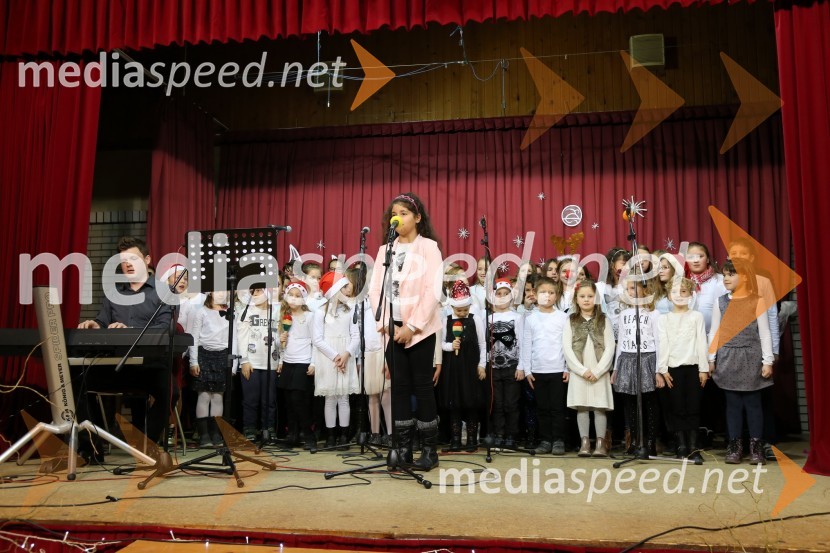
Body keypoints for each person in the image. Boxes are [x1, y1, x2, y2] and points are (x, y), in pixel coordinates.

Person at [77, 236, 178, 454]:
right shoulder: (113, 294)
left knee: (170, 390)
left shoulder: (164, 292)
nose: (128, 264)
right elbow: (103, 321)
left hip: (148, 366)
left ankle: (146, 445)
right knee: (78, 381)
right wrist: (94, 324)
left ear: (148, 259)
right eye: (123, 260)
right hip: (115, 365)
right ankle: (92, 448)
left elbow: (163, 329)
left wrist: (129, 331)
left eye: (133, 258)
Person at [368, 192, 443, 471]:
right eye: (393, 213)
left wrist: (412, 327)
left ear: (418, 218)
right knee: (398, 389)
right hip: (392, 331)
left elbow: (432, 290)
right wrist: (389, 325)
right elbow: (376, 290)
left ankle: (429, 450)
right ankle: (402, 449)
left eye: (404, 213)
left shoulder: (429, 248)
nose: (397, 217)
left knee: (422, 389)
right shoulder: (384, 250)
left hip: (420, 333)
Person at [708, 260, 774, 465]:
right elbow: (715, 331)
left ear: (744, 276)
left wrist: (767, 360)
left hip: (751, 358)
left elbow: (764, 333)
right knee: (733, 405)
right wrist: (711, 358)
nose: (726, 278)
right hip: (728, 358)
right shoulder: (721, 301)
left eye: (731, 274)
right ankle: (735, 446)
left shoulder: (757, 300)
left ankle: (756, 447)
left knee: (753, 404)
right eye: (724, 275)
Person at [657, 278, 709, 462]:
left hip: (694, 367)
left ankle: (694, 447)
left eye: (684, 292)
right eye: (675, 292)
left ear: (690, 295)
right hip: (673, 369)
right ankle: (681, 445)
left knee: (693, 407)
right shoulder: (664, 319)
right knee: (676, 407)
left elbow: (702, 343)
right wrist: (662, 369)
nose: (679, 296)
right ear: (668, 296)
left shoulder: (696, 316)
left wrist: (704, 369)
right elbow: (662, 344)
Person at [563, 280, 615, 457]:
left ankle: (600, 443)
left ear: (596, 298)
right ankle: (584, 442)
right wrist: (581, 370)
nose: (586, 300)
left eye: (590, 296)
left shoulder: (604, 320)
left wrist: (599, 370)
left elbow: (610, 347)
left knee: (599, 406)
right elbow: (567, 348)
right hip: (580, 371)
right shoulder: (570, 320)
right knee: (582, 406)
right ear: (576, 299)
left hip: (598, 370)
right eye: (582, 296)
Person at [613, 273, 661, 455]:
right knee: (630, 402)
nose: (630, 292)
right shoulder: (624, 314)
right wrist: (616, 367)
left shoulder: (654, 314)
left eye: (633, 288)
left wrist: (658, 370)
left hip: (647, 358)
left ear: (644, 289)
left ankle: (650, 442)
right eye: (627, 289)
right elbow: (621, 340)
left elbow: (658, 341)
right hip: (627, 358)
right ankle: (634, 440)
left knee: (649, 402)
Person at [521, 277, 569, 455]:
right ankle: (545, 439)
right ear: (535, 294)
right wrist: (527, 370)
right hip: (537, 371)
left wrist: (567, 368)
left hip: (557, 370)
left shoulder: (563, 318)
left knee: (557, 407)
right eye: (543, 292)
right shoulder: (531, 318)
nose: (546, 296)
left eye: (551, 292)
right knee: (542, 407)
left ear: (556, 296)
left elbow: (567, 345)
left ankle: (558, 440)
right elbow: (527, 344)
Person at [312, 271, 360, 450]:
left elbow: (355, 336)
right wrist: (335, 356)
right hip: (328, 358)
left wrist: (346, 354)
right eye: (345, 287)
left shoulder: (350, 310)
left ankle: (343, 436)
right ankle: (331, 436)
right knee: (330, 398)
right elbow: (317, 339)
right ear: (335, 290)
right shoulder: (319, 312)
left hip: (345, 356)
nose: (349, 290)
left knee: (344, 397)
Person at [438, 281, 487, 451]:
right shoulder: (446, 320)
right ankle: (456, 439)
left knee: (471, 402)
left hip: (471, 367)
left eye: (465, 309)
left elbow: (483, 343)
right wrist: (451, 346)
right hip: (453, 368)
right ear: (452, 307)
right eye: (459, 310)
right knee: (455, 403)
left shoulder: (476, 320)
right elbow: (441, 344)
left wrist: (482, 365)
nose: (462, 313)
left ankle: (472, 439)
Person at [277, 281, 317, 452]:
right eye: (291, 295)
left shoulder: (310, 317)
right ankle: (292, 434)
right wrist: (280, 345)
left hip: (303, 361)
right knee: (288, 401)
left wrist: (314, 362)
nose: (293, 299)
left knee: (299, 400)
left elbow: (316, 341)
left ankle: (308, 435)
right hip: (288, 361)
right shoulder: (283, 316)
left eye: (297, 296)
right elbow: (280, 345)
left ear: (304, 298)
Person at [189, 291, 232, 448]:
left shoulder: (229, 312)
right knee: (204, 395)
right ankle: (203, 434)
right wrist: (193, 361)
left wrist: (232, 363)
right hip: (204, 355)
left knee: (218, 396)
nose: (222, 294)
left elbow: (233, 337)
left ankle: (215, 433)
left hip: (222, 355)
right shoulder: (202, 312)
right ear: (210, 293)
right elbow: (194, 338)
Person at [237, 287, 279, 443]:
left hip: (271, 363)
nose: (254, 294)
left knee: (269, 400)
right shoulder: (246, 311)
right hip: (252, 363)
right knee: (250, 399)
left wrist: (280, 361)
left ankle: (268, 428)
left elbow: (281, 335)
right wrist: (244, 361)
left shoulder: (276, 311)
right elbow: (241, 337)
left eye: (258, 291)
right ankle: (249, 429)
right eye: (252, 292)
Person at [487, 278, 525, 448]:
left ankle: (512, 435)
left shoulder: (517, 317)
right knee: (497, 403)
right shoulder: (488, 318)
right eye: (498, 294)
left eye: (505, 294)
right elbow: (485, 344)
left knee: (511, 403)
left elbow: (523, 342)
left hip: (512, 366)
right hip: (494, 367)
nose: (502, 297)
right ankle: (499, 433)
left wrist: (521, 366)